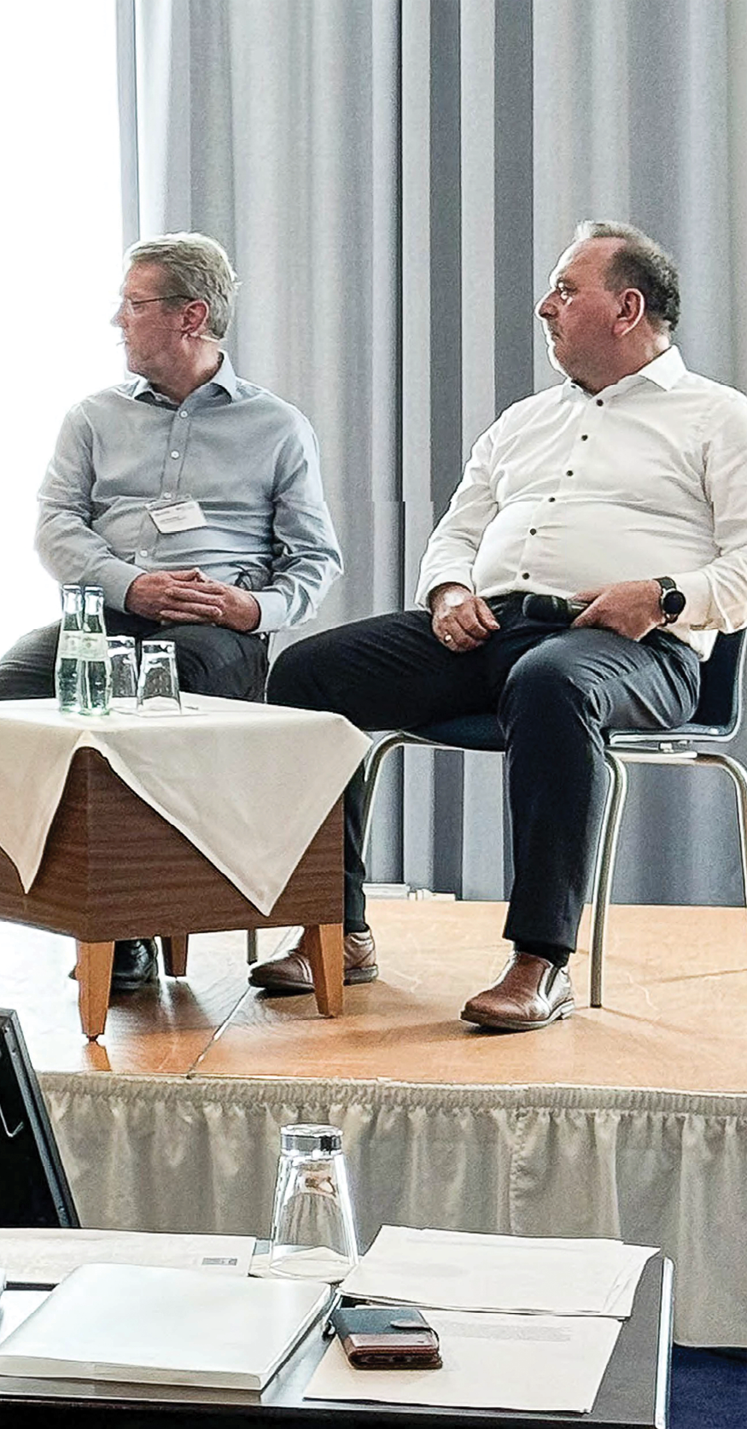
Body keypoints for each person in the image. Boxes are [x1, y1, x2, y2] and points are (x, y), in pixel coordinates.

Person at [260, 221, 747, 1032]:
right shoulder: (523, 421)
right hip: (489, 629)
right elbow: (455, 531)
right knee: (308, 674)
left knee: (552, 680)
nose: (543, 307)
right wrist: (447, 590)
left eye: (565, 290)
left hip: (634, 647)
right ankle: (335, 929)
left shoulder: (717, 419)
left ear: (626, 308)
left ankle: (538, 961)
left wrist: (661, 595)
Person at [0, 232, 340, 988]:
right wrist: (130, 586)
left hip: (211, 634)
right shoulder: (94, 417)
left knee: (145, 706)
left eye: (133, 305)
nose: (117, 321)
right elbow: (55, 528)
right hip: (105, 618)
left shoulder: (276, 426)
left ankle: (123, 925)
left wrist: (248, 606)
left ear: (190, 316)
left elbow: (314, 561)